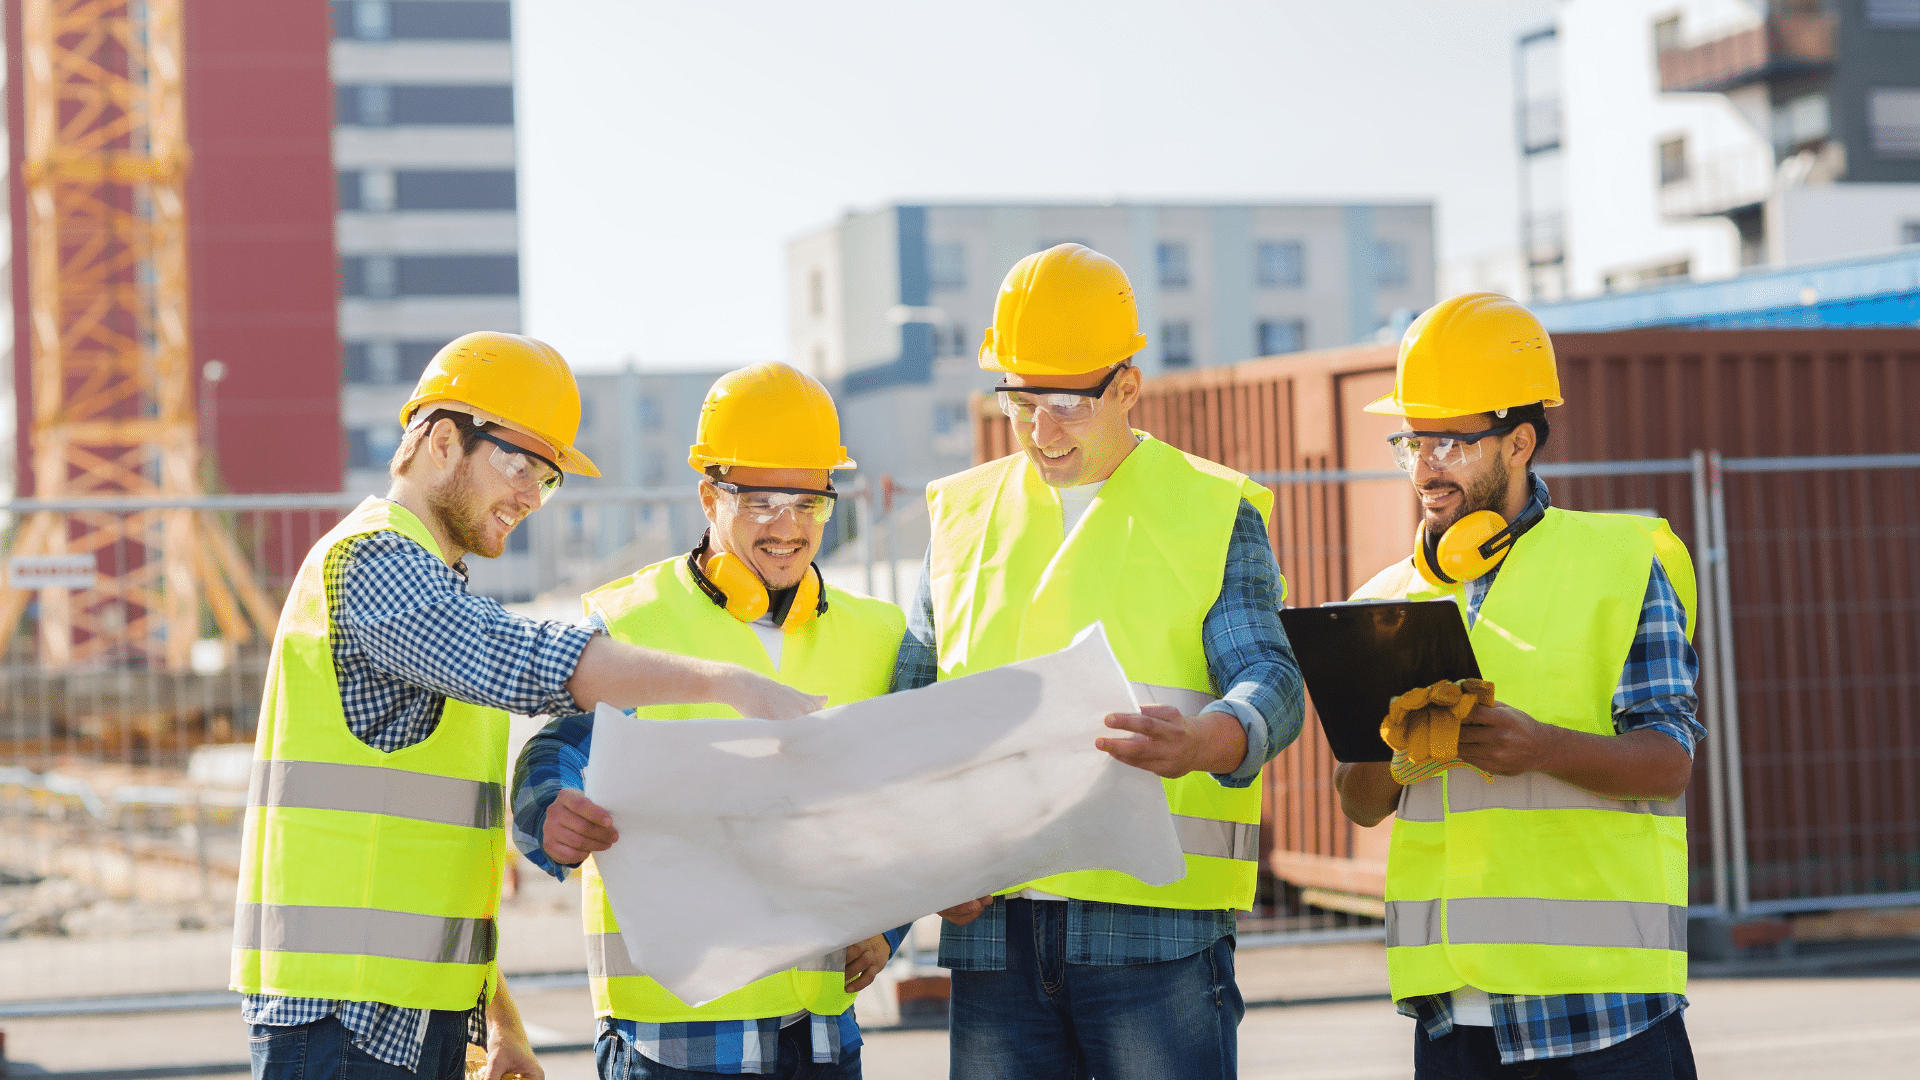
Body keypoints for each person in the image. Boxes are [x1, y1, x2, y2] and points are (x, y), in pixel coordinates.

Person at [234, 334, 822, 1080]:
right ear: (442, 442)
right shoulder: (374, 563)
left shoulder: (434, 590)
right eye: (520, 466)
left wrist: (495, 1021)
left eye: (546, 481)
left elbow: (428, 869)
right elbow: (517, 658)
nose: (528, 498)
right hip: (344, 1021)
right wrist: (722, 682)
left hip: (405, 1015)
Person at [895, 243, 1306, 1080]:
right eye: (1019, 400)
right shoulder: (962, 515)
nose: (1040, 432)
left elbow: (1273, 678)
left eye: (1066, 403)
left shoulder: (1210, 510)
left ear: (1126, 387)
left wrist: (1207, 740)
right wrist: (922, 868)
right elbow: (908, 718)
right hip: (994, 936)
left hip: (1154, 934)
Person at [1333, 293, 1703, 1078]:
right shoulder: (1382, 602)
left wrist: (1540, 748)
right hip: (1452, 1019)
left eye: (1450, 443)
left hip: (1607, 1014)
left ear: (1521, 441)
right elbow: (1360, 802)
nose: (1425, 468)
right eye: (1410, 442)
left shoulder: (1621, 565)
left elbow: (1670, 759)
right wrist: (1400, 756)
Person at [512, 362, 908, 1080]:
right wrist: (550, 812)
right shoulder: (633, 622)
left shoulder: (877, 637)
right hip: (677, 1036)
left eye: (808, 502)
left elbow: (910, 798)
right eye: (760, 501)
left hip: (818, 1029)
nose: (786, 526)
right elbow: (559, 748)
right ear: (708, 496)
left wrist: (890, 926)